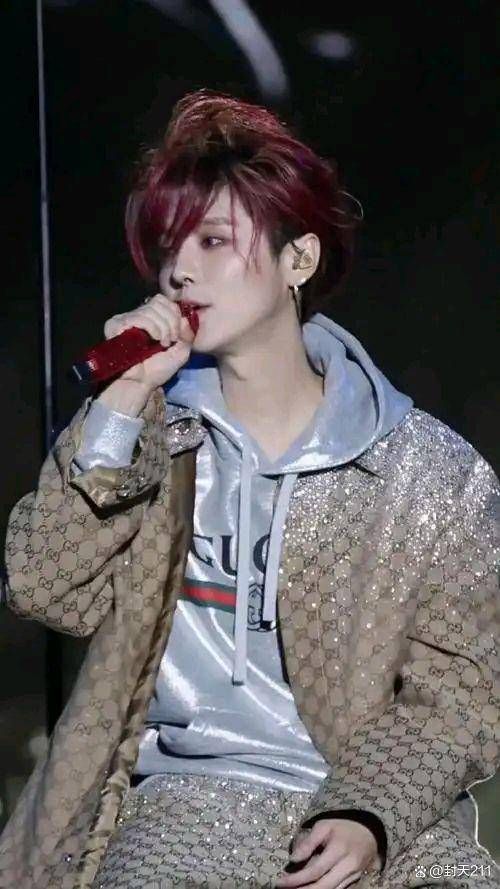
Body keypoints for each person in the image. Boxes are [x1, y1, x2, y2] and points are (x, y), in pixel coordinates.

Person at [1, 89, 499, 889]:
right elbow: (42, 586)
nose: (179, 269)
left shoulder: (429, 472)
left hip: (372, 806)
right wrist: (123, 401)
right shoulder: (151, 435)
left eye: (211, 239)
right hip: (182, 807)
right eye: (170, 245)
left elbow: (461, 694)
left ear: (298, 260)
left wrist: (368, 814)